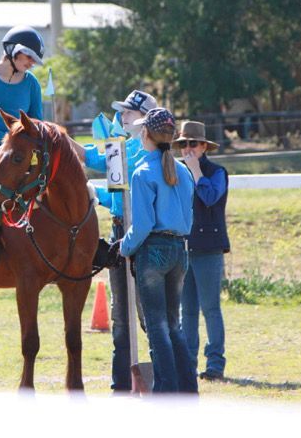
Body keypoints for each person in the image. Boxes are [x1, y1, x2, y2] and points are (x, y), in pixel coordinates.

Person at [69, 90, 157, 393]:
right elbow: (113, 188)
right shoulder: (124, 147)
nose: (122, 117)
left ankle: (163, 377)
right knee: (120, 315)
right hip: (119, 231)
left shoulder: (146, 151)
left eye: (128, 113)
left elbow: (97, 160)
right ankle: (120, 382)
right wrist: (96, 194)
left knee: (149, 314)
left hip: (145, 237)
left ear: (143, 117)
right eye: (122, 113)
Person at [115, 107, 198, 394]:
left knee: (157, 327)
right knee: (174, 325)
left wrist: (124, 247)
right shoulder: (184, 172)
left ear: (146, 133)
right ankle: (188, 389)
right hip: (179, 248)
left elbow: (142, 225)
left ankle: (165, 391)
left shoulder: (143, 172)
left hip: (153, 250)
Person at [0, 25, 45, 263]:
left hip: (25, 148)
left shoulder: (32, 83)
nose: (32, 63)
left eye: (34, 59)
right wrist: (7, 142)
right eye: (29, 57)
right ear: (13, 51)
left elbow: (37, 122)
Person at [175, 121, 229, 381]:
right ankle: (187, 363)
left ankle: (215, 364)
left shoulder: (217, 172)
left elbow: (210, 198)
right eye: (183, 144)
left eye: (193, 144)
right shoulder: (176, 172)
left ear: (204, 146)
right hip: (184, 249)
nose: (188, 149)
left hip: (209, 249)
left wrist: (196, 171)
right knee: (187, 312)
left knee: (210, 309)